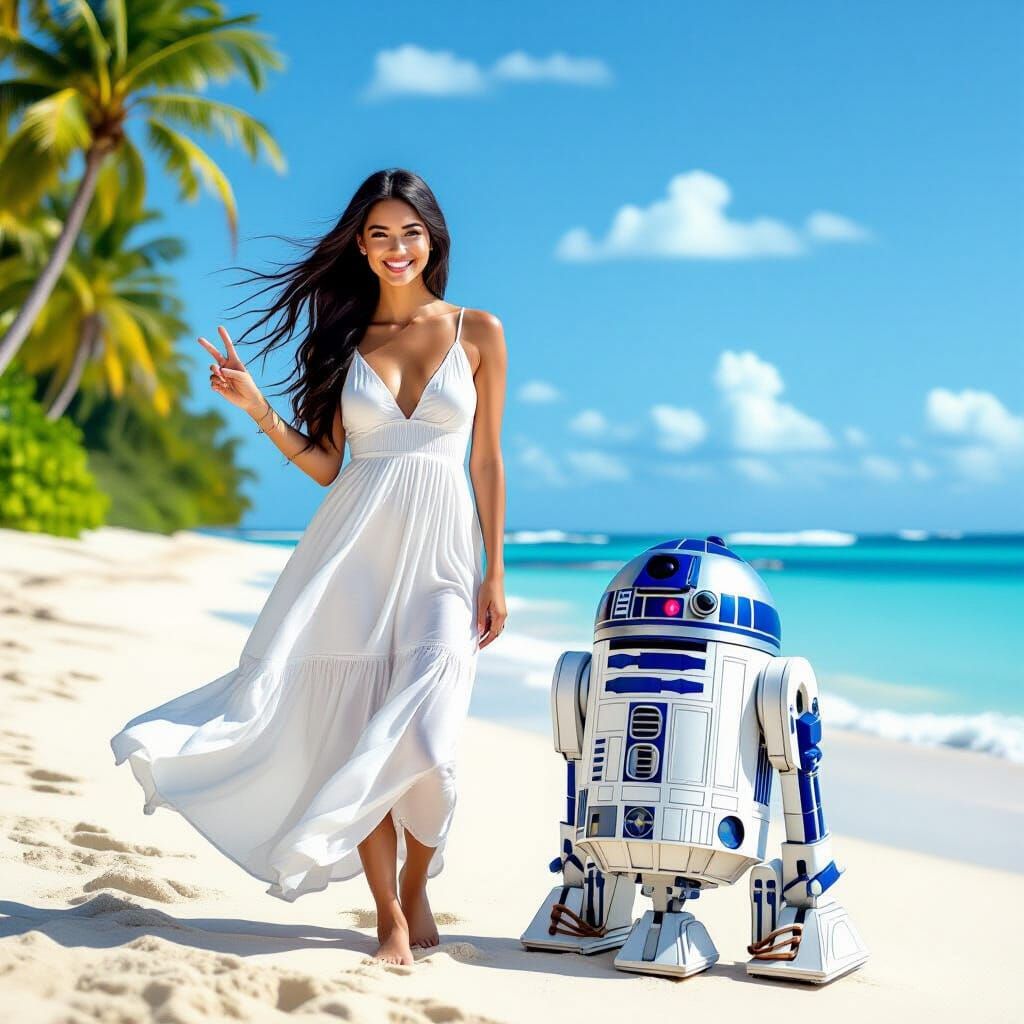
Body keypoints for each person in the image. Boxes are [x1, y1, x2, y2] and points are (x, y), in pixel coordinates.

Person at [109, 168, 508, 966]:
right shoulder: (344, 342)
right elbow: (329, 466)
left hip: (441, 558)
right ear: (359, 246)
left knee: (429, 736)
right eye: (379, 234)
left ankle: (418, 880)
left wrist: (494, 571)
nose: (396, 248)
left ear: (432, 239)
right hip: (351, 559)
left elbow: (487, 460)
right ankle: (388, 914)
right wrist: (259, 408)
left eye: (410, 233)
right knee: (359, 732)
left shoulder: (478, 331)